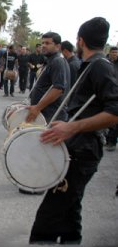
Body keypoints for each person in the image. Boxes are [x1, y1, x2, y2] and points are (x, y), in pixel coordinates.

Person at [30, 17, 118, 244]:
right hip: (78, 146)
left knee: (47, 219)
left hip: (85, 150)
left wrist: (73, 126)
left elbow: (115, 111)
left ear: (80, 40)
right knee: (70, 211)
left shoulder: (100, 66)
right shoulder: (89, 66)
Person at [26, 32, 70, 124]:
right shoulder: (51, 60)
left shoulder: (58, 61)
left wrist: (37, 108)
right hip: (45, 114)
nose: (43, 46)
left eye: (47, 43)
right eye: (42, 43)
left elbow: (58, 89)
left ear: (58, 46)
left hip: (51, 115)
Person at [105, 46, 118, 152]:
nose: (115, 54)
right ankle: (108, 139)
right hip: (108, 92)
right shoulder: (107, 63)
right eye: (113, 52)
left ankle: (112, 142)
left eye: (116, 52)